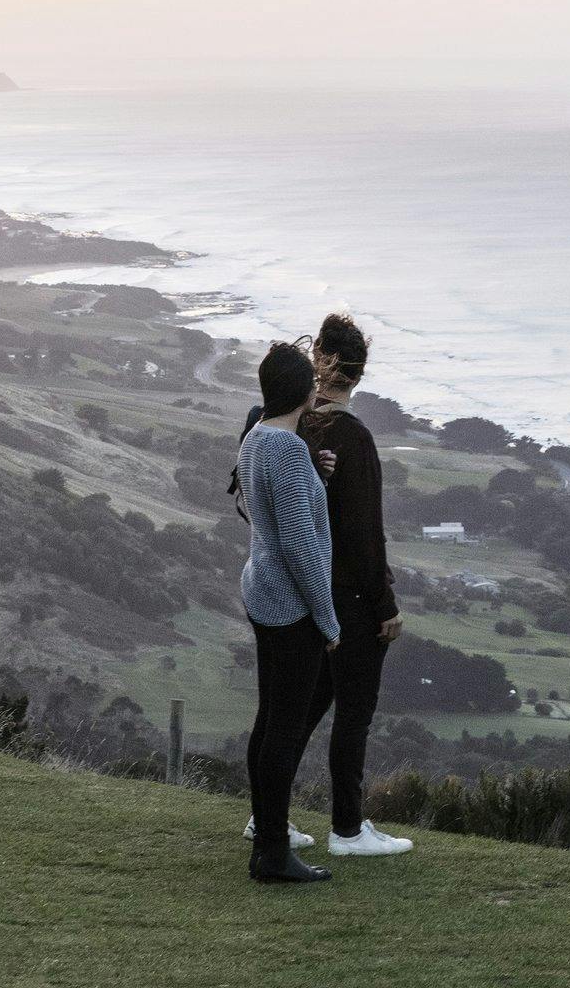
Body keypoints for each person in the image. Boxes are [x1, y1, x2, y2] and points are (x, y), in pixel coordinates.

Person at [294, 312, 412, 857]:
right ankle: (347, 829)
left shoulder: (289, 423)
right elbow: (366, 533)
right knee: (354, 713)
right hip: (350, 598)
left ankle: (267, 814)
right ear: (351, 369)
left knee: (297, 709)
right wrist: (385, 604)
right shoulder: (353, 436)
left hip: (301, 589)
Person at [235, 341, 338, 884]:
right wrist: (328, 619)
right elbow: (301, 544)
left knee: (268, 721)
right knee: (284, 728)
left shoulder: (257, 437)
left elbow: (267, 512)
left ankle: (267, 844)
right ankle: (273, 852)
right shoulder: (288, 450)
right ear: (304, 390)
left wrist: (314, 479)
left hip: (261, 591)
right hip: (290, 604)